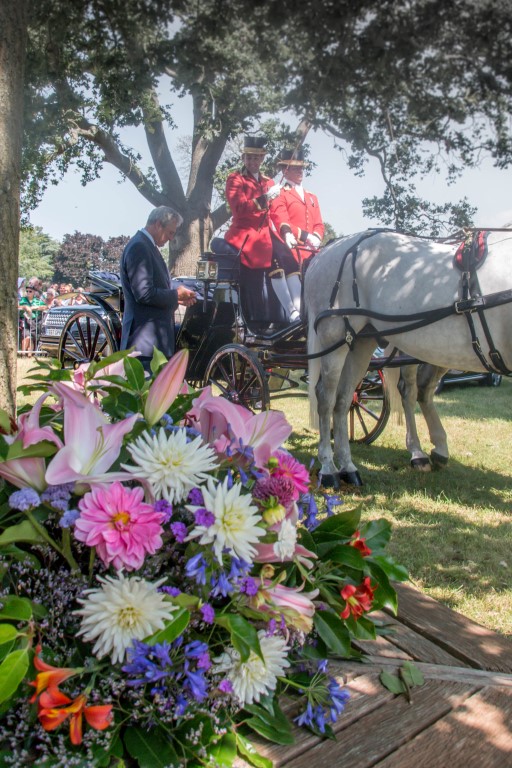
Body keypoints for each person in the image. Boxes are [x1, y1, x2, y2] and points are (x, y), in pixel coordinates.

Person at [211, 136, 300, 324]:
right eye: (249, 157)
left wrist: (286, 231)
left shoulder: (268, 182)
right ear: (243, 158)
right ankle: (288, 312)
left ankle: (298, 309)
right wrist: (264, 198)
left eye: (257, 158)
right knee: (273, 262)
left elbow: (278, 211)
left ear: (262, 159)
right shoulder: (235, 179)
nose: (253, 161)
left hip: (266, 234)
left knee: (290, 259)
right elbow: (239, 208)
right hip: (246, 235)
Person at [120, 205, 197, 371]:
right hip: (144, 345)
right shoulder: (140, 247)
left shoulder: (147, 246)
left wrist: (178, 296)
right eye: (170, 232)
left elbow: (157, 286)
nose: (171, 238)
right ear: (157, 224)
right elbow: (144, 293)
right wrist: (175, 295)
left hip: (151, 344)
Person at [270, 148, 324, 280]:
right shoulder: (280, 194)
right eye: (295, 168)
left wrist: (316, 238)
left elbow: (319, 224)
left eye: (301, 168)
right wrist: (306, 236)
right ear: (285, 171)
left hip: (313, 252)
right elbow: (282, 220)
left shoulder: (312, 197)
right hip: (293, 250)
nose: (300, 171)